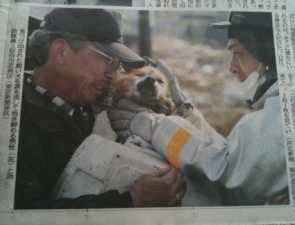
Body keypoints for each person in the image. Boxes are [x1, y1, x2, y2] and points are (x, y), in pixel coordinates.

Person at [109, 11, 289, 205]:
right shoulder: (275, 111)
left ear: (267, 53)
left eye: (237, 53)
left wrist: (153, 125)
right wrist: (185, 112)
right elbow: (228, 154)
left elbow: (222, 172)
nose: (232, 67)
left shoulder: (279, 117)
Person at [15, 8, 186, 209]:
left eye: (118, 65)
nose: (114, 75)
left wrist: (181, 111)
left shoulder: (98, 111)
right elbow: (20, 214)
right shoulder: (10, 121)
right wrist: (131, 201)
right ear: (61, 51)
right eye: (107, 59)